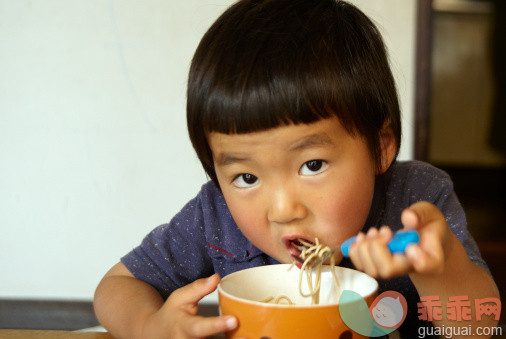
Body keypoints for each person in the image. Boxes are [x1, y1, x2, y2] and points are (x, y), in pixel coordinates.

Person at [93, 0, 500, 338]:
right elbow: (118, 286)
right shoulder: (214, 219)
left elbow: (480, 324)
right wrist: (149, 325)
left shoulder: (416, 199)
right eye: (247, 178)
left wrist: (439, 265)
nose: (283, 209)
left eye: (312, 164)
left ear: (381, 146)